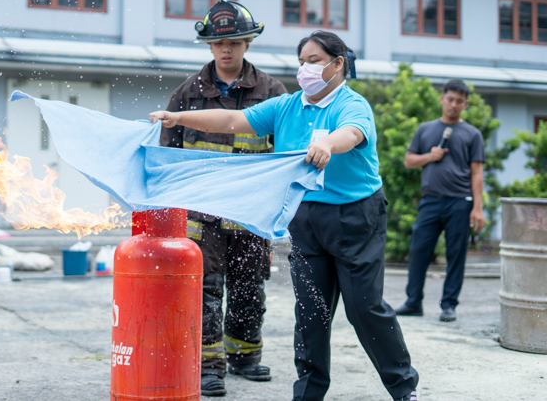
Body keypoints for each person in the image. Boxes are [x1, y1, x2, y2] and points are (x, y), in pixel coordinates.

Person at [150, 30, 420, 401]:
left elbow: (352, 133)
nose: (306, 69)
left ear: (337, 64)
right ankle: (307, 394)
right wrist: (177, 117)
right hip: (306, 216)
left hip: (355, 217)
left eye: (314, 61)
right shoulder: (288, 106)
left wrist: (326, 143)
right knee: (311, 312)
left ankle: (404, 388)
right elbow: (233, 121)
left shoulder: (351, 104)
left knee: (364, 309)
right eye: (302, 62)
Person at [160, 0, 287, 397]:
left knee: (250, 286)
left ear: (248, 42)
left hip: (251, 211)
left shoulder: (272, 92)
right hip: (203, 214)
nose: (226, 49)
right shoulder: (187, 93)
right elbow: (168, 152)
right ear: (209, 47)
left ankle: (245, 356)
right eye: (218, 43)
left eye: (234, 41)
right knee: (205, 289)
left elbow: (284, 154)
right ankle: (208, 366)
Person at [395, 79, 485, 323]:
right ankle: (413, 302)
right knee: (418, 250)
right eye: (450, 99)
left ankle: (449, 305)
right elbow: (408, 161)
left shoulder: (472, 134)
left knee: (456, 253)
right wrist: (429, 156)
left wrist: (478, 208)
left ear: (465, 103)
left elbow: (477, 173)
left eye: (459, 101)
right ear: (442, 99)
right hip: (431, 200)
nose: (454, 105)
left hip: (460, 201)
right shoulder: (426, 129)